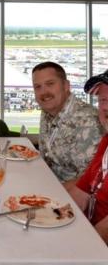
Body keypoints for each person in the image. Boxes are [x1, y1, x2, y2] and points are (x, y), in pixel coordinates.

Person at [32, 62, 103, 188]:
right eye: (37, 87)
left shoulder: (88, 122)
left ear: (66, 86)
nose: (43, 92)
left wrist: (47, 194)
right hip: (46, 184)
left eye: (50, 84)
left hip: (72, 198)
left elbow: (90, 180)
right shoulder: (48, 110)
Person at [68, 70, 108, 244]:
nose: (105, 107)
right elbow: (81, 193)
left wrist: (76, 245)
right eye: (103, 100)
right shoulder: (106, 142)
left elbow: (103, 233)